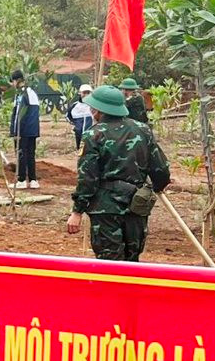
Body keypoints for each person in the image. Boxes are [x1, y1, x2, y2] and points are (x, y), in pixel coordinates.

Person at [67, 85, 171, 262]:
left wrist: (77, 211)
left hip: (105, 209)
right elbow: (160, 168)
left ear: (98, 110)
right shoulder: (143, 130)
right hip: (136, 204)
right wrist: (156, 186)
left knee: (110, 263)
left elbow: (88, 178)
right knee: (132, 261)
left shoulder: (93, 135)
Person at [8, 70, 41, 189]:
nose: (12, 84)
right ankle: (33, 180)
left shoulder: (22, 94)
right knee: (30, 155)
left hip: (23, 130)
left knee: (21, 154)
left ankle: (21, 180)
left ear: (17, 80)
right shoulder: (31, 92)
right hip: (32, 130)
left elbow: (20, 115)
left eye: (13, 81)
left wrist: (17, 132)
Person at [67, 84, 95, 149]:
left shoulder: (93, 105)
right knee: (79, 149)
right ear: (80, 93)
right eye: (84, 93)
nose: (86, 95)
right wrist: (76, 125)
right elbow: (68, 116)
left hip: (91, 133)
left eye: (88, 93)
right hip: (78, 134)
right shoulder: (75, 106)